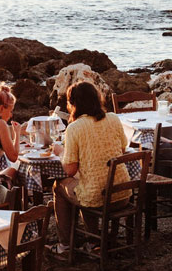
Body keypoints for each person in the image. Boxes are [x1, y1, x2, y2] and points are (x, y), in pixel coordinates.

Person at [52, 79, 130, 251]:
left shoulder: (75, 128)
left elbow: (70, 170)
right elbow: (123, 148)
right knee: (90, 183)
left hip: (100, 200)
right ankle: (91, 239)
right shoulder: (113, 118)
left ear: (73, 104)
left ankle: (66, 244)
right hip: (123, 193)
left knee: (60, 186)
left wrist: (60, 153)